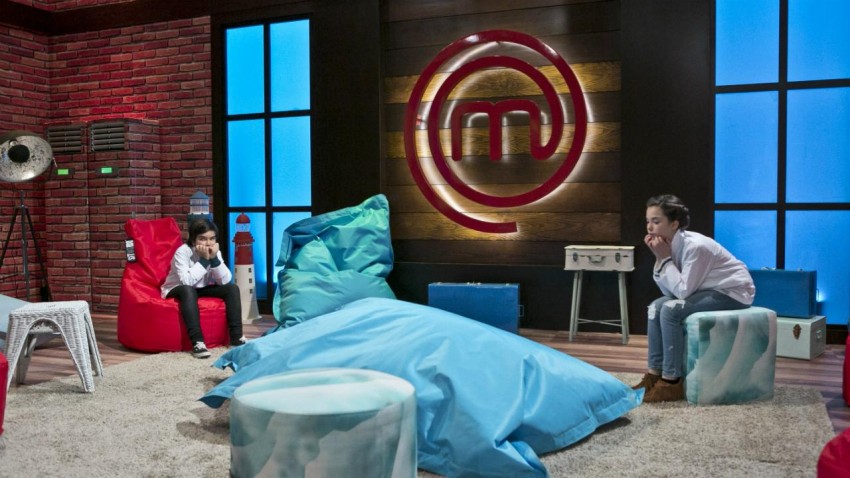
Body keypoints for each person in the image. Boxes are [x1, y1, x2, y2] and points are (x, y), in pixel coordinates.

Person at [634, 194, 755, 402]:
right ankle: (654, 374)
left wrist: (664, 259)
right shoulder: (668, 245)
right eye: (647, 221)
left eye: (656, 221)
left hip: (732, 291)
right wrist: (661, 258)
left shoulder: (695, 247)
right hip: (704, 290)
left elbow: (682, 292)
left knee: (671, 310)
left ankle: (671, 381)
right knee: (655, 307)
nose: (650, 227)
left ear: (674, 224)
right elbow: (668, 292)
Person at [161, 218, 245, 358]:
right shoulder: (182, 252)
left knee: (232, 288)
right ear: (194, 240)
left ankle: (237, 339)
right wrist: (204, 260)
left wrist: (214, 259)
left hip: (200, 289)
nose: (208, 243)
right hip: (177, 288)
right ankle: (198, 343)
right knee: (188, 290)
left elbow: (225, 280)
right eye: (203, 239)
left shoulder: (214, 251)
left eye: (212, 238)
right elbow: (187, 281)